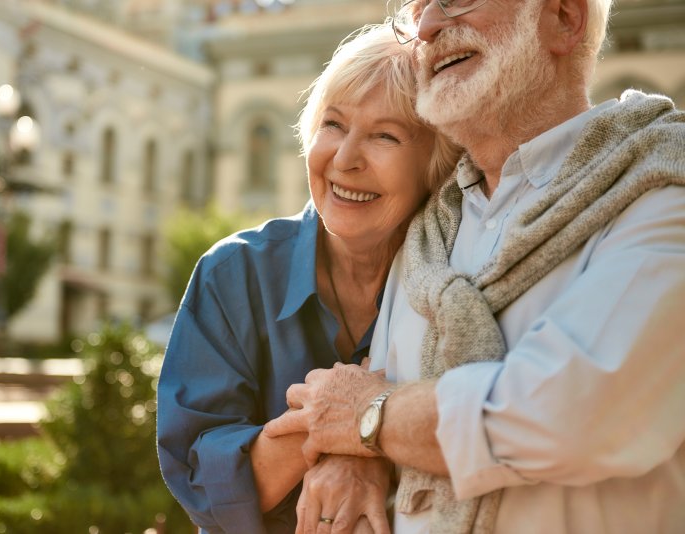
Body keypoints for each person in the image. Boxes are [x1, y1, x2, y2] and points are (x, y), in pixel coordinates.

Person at [265, 0, 685, 532]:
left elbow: (566, 415)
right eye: (418, 8)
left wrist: (369, 421)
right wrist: (355, 455)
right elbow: (376, 388)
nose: (429, 25)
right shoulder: (425, 231)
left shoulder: (664, 189)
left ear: (562, 18)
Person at [156, 23, 461, 534]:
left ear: (436, 164)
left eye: (385, 135)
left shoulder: (458, 273)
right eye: (333, 125)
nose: (344, 160)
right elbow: (204, 485)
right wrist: (351, 430)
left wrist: (362, 429)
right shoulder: (233, 274)